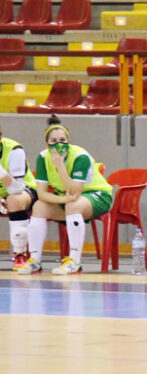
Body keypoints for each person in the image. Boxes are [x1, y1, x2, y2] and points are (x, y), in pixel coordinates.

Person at [17, 116, 112, 275]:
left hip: (98, 196)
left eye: (63, 140)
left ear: (69, 141)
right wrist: (63, 199)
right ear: (46, 144)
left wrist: (60, 165)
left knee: (73, 205)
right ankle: (35, 260)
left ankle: (74, 261)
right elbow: (41, 194)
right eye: (53, 141)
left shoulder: (80, 156)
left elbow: (74, 192)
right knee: (39, 207)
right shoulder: (42, 157)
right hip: (67, 199)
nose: (59, 144)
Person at [0, 124, 38, 270]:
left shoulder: (15, 150)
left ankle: (19, 254)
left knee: (14, 200)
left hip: (25, 191)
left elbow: (16, 188)